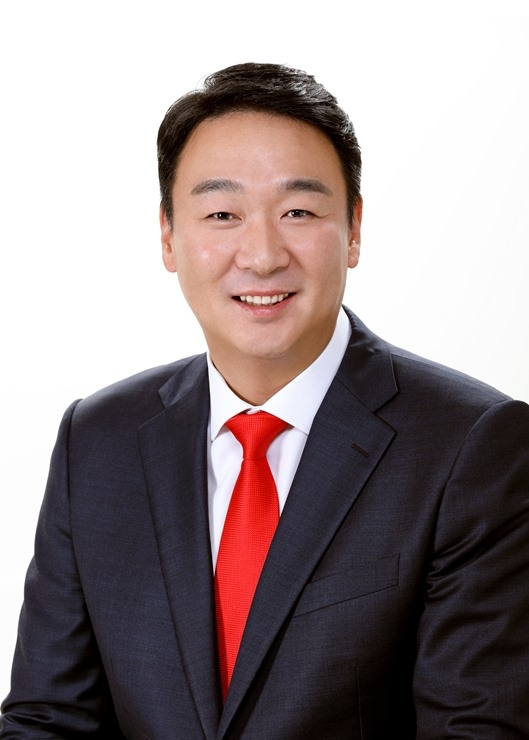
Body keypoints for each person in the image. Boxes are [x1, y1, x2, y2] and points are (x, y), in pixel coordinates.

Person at [1, 62, 529, 739]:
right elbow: (48, 720)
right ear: (168, 236)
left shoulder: (472, 445)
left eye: (297, 212)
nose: (260, 255)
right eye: (222, 215)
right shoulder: (98, 438)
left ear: (354, 229)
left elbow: (476, 729)